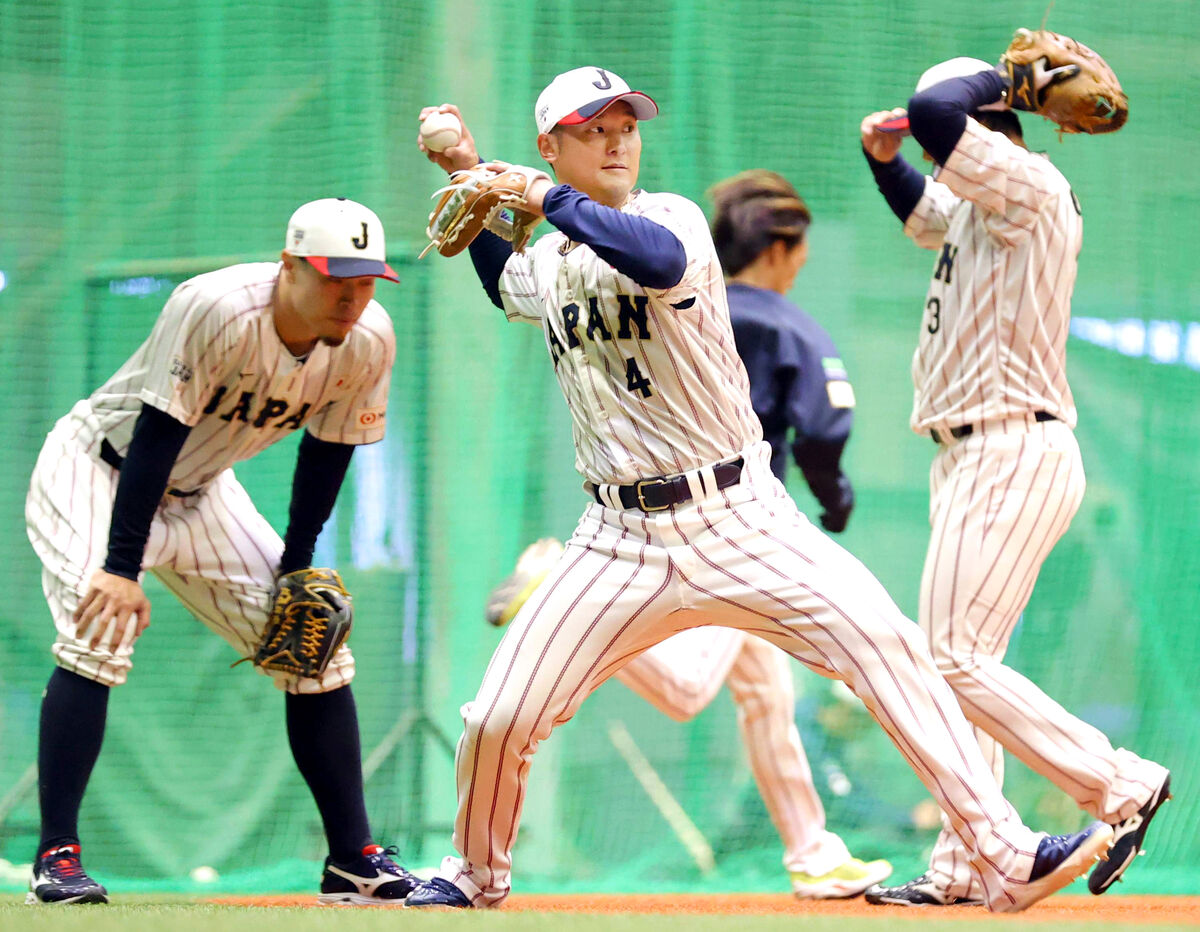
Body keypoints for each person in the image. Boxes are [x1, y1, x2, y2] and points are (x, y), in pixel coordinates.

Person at [406, 66, 1114, 913]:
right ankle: (474, 872)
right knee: (497, 718)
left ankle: (1003, 852)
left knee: (889, 647)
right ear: (550, 146)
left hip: (737, 514)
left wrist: (534, 193)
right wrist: (468, 171)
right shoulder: (553, 257)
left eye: (626, 124)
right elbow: (504, 283)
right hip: (616, 536)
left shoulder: (669, 219)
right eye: (593, 129)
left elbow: (653, 259)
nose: (618, 139)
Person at [481, 171, 887, 899]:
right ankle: (547, 589)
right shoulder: (785, 323)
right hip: (732, 531)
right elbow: (825, 431)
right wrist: (837, 503)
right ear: (780, 249)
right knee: (689, 687)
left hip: (657, 507)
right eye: (800, 251)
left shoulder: (672, 294)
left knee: (765, 694)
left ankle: (813, 851)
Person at [23, 198, 419, 906]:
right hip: (100, 469)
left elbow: (326, 454)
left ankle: (351, 861)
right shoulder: (216, 306)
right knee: (96, 632)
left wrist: (297, 564)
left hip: (204, 489)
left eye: (365, 281)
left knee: (316, 646)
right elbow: (156, 435)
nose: (351, 297)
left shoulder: (369, 338)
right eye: (335, 279)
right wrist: (121, 568)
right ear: (289, 266)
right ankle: (56, 858)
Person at [857, 57, 1170, 907]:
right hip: (971, 453)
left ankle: (1121, 783)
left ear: (985, 128)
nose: (935, 156)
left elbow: (932, 109)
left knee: (951, 658)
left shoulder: (1029, 185)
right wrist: (885, 162)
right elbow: (923, 212)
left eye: (946, 145)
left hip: (1012, 445)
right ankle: (968, 863)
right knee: (967, 665)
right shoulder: (980, 204)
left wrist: (1002, 79)